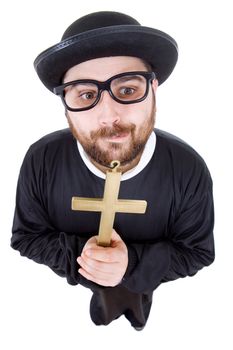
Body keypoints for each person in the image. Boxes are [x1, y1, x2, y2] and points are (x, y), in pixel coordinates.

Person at [11, 11, 215, 330]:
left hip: (159, 300)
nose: (109, 115)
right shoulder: (42, 161)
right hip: (67, 300)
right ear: (65, 102)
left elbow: (197, 252)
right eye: (87, 94)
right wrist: (88, 262)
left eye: (127, 90)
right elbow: (26, 237)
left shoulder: (188, 169)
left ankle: (136, 303)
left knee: (137, 299)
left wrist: (131, 264)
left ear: (154, 89)